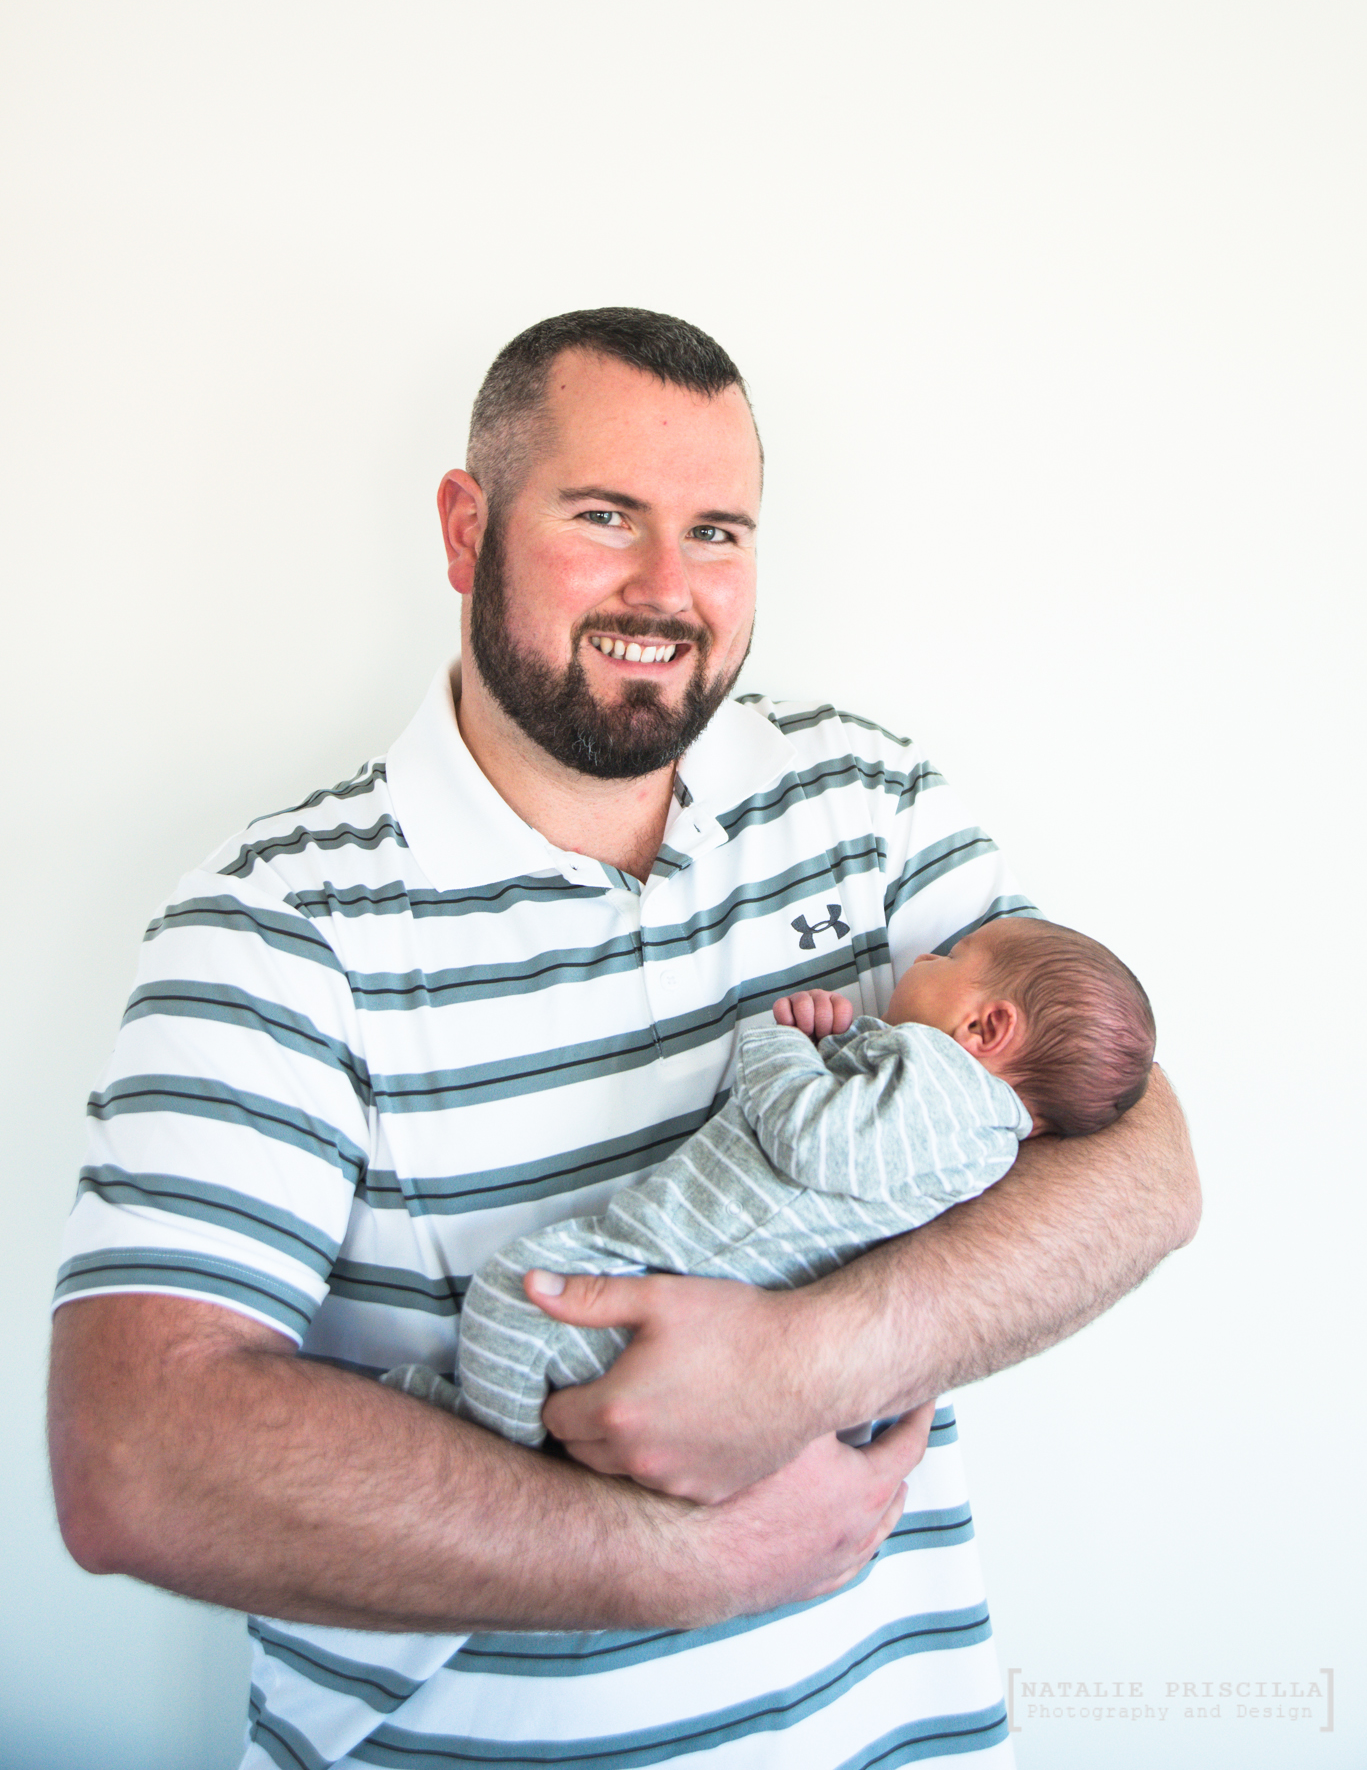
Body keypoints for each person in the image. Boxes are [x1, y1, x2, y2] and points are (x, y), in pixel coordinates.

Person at [48, 308, 1200, 1770]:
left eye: (715, 531)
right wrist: (682, 1555)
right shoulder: (276, 927)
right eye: (604, 515)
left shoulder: (864, 799)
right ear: (466, 529)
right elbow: (136, 1457)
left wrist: (804, 1364)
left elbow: (1144, 1160)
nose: (666, 587)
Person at [398, 917, 1157, 1448]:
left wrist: (781, 1043)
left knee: (516, 1295)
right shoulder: (976, 1133)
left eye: (951, 956)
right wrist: (837, 1042)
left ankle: (492, 1445)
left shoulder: (947, 1088)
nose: (925, 954)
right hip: (719, 1287)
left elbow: (816, 1140)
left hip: (679, 1264)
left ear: (985, 1029)